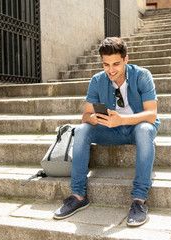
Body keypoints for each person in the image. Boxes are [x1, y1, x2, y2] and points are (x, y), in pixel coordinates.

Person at [53, 37, 160, 227]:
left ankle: (139, 200)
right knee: (82, 129)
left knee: (144, 129)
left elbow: (151, 115)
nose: (111, 70)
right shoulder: (97, 80)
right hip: (110, 130)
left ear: (126, 59)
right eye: (106, 64)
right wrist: (95, 119)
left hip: (137, 128)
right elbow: (85, 115)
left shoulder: (143, 75)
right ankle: (78, 195)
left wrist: (122, 120)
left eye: (116, 64)